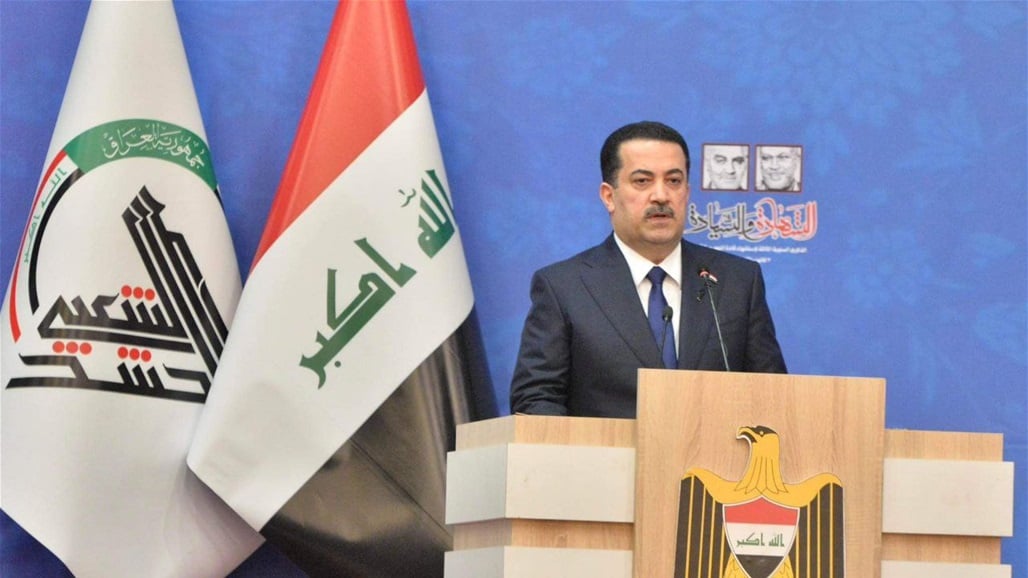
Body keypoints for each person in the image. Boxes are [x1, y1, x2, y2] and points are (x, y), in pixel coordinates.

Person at [509, 121, 786, 418]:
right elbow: (536, 399)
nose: (661, 196)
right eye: (642, 181)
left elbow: (772, 395)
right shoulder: (564, 287)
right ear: (608, 196)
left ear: (687, 192)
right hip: (604, 449)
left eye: (674, 181)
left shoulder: (736, 281)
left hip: (713, 449)